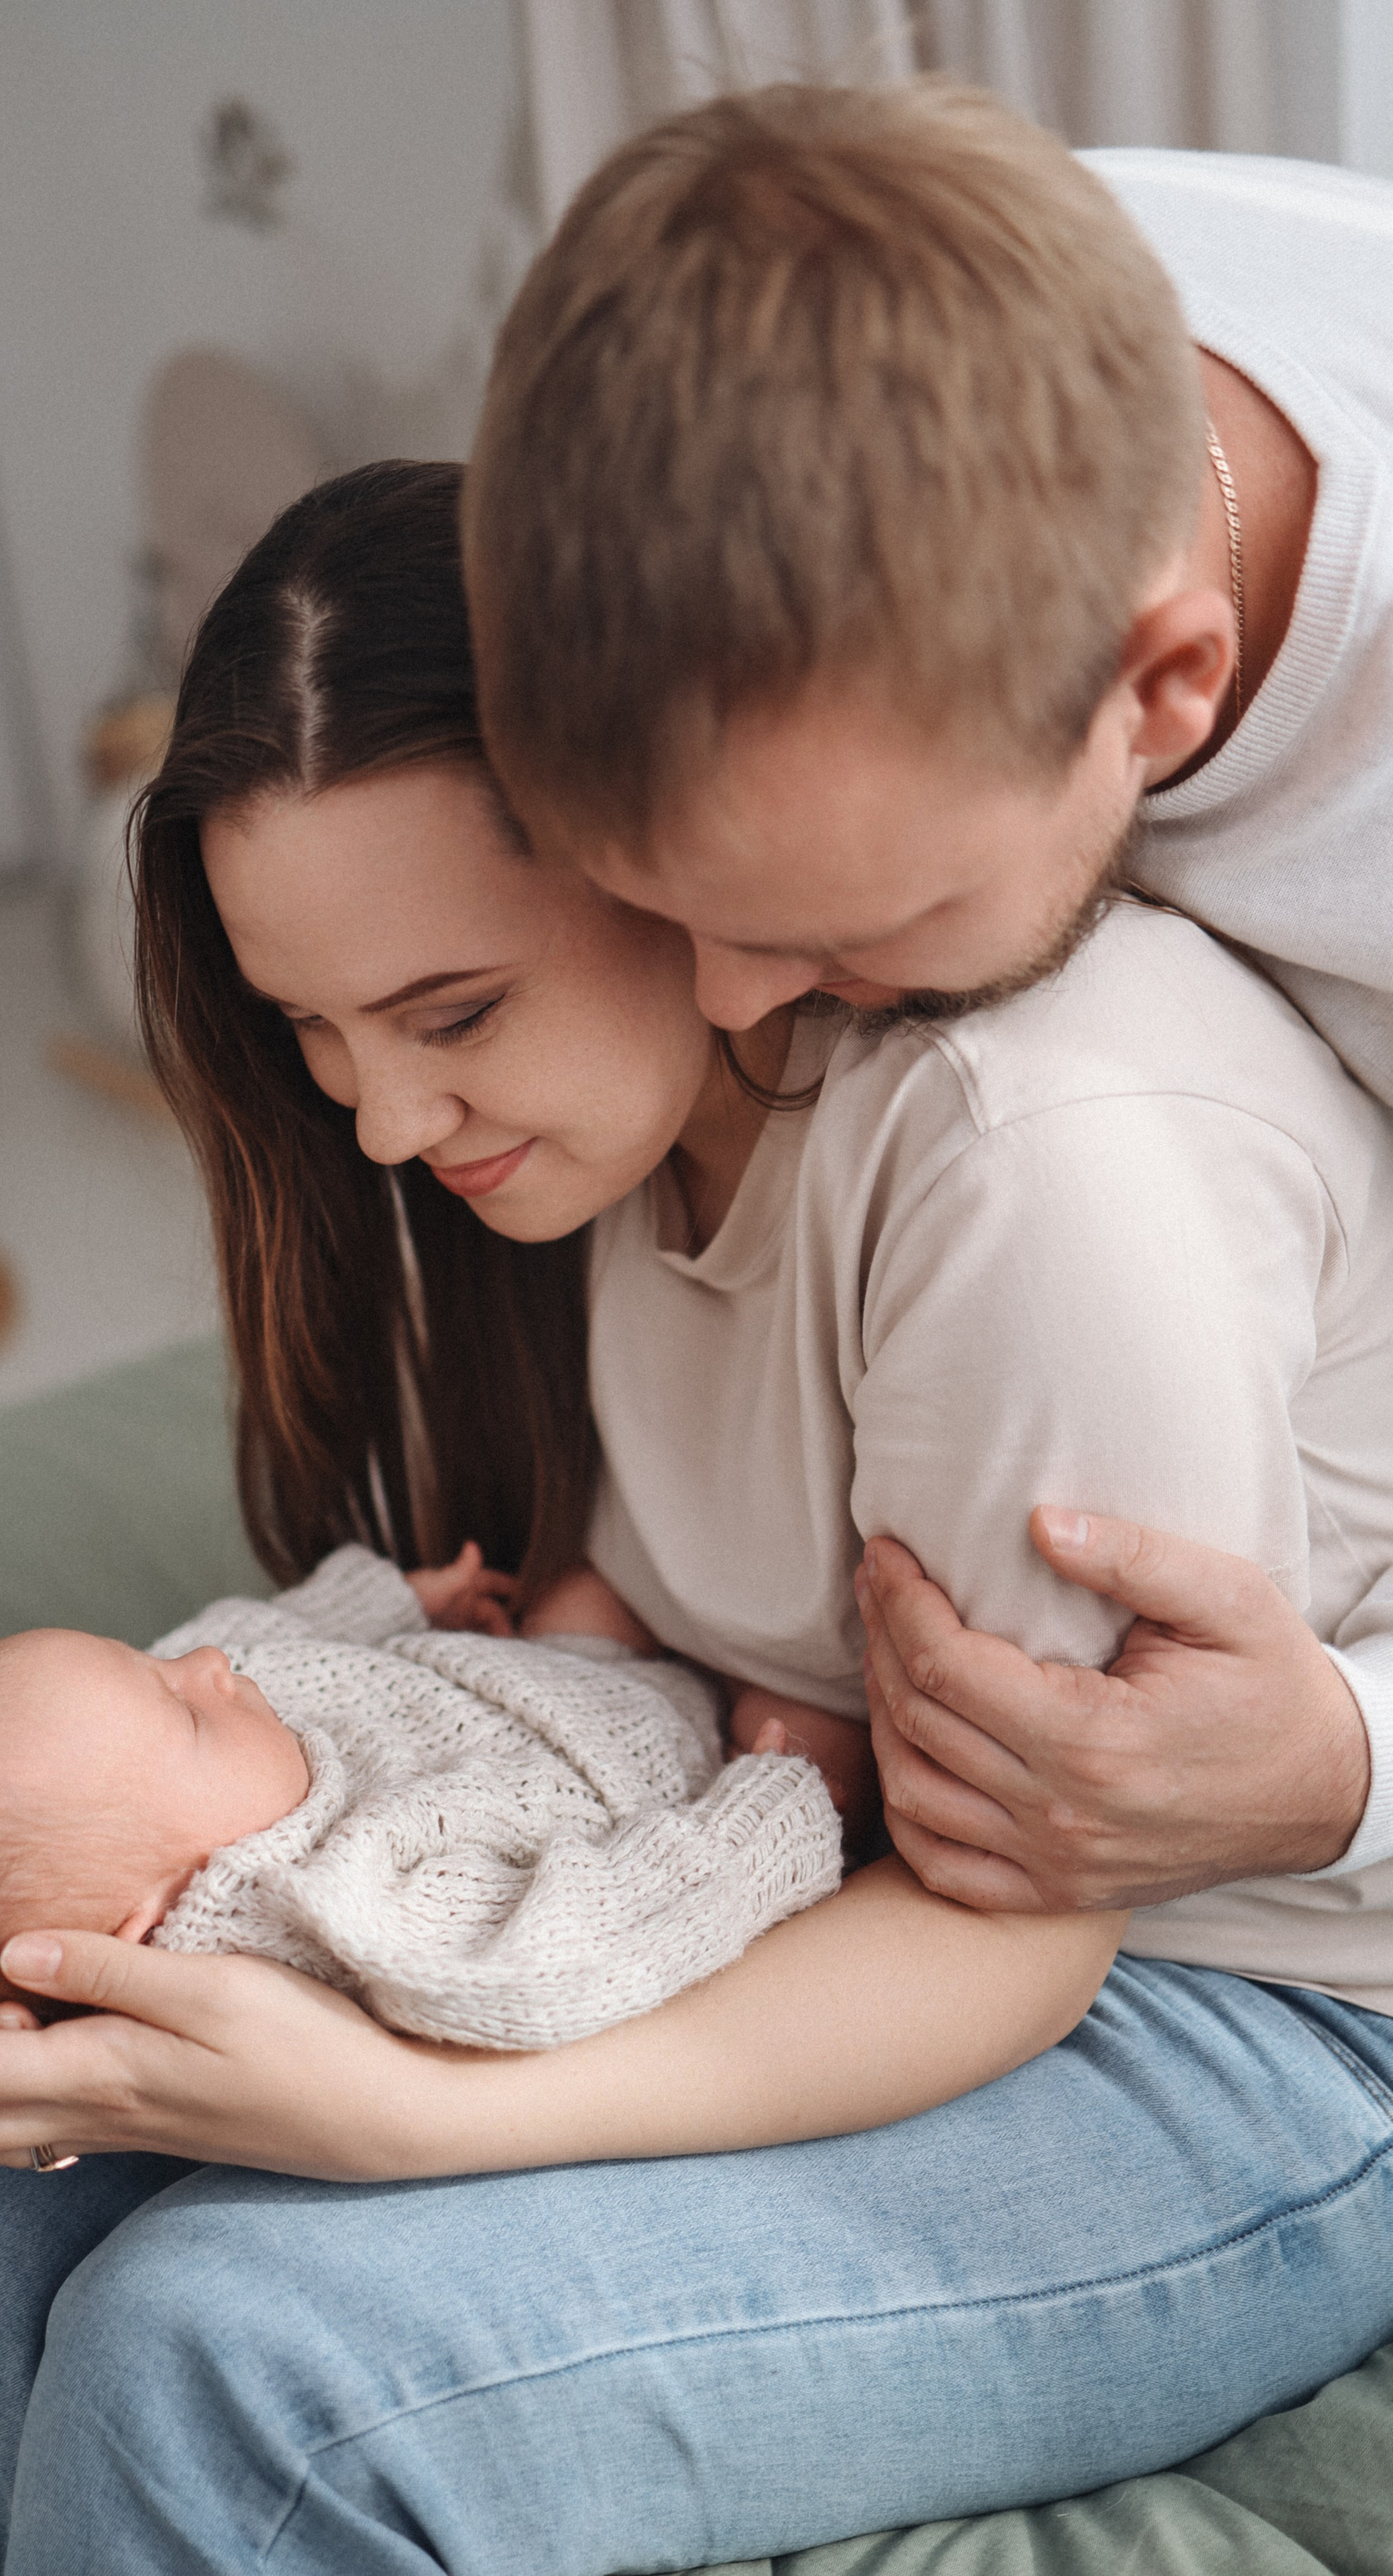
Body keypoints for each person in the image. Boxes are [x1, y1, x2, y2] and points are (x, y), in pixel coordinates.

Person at [0, 462, 1393, 2575]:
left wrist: (416, 2116)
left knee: (220, 2368)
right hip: (771, 1868)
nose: (391, 1120)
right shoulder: (597, 1142)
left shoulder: (1026, 1170)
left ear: (666, 848)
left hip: (1227, 2018)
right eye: (317, 1034)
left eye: (452, 1015)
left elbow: (1025, 1932)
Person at [462, 78, 1393, 1923]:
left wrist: (1342, 1767)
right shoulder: (892, 309)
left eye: (835, 926)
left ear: (1166, 691)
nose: (728, 998)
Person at [0, 1542, 844, 2048]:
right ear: (154, 1920)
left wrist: (391, 1598)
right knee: (823, 1726)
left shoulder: (181, 1758)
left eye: (145, 1662)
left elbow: (254, 1632)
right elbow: (583, 1936)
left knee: (595, 1568)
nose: (205, 1663)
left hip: (547, 1664)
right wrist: (759, 1822)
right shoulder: (348, 1904)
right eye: (187, 1710)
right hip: (673, 1777)